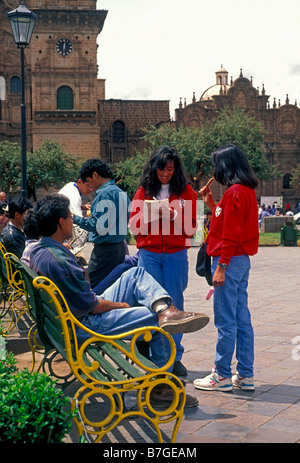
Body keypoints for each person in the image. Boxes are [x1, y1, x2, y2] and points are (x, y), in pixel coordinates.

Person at [29, 194, 210, 407]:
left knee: (134, 275)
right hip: (86, 325)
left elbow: (84, 299)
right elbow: (93, 307)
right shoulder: (58, 260)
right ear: (61, 222)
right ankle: (161, 388)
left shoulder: (42, 250)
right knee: (157, 321)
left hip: (72, 318)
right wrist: (121, 305)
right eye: (70, 217)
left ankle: (165, 308)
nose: (73, 221)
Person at [193, 144, 259, 392]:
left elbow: (231, 233)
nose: (215, 171)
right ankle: (245, 374)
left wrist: (221, 265)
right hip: (241, 261)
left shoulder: (233, 193)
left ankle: (221, 373)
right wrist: (211, 204)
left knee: (225, 320)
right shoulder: (246, 191)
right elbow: (230, 221)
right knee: (242, 319)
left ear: (226, 167)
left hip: (229, 260)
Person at [130, 145, 198, 377]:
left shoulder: (186, 192)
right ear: (154, 168)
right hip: (149, 254)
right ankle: (155, 355)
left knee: (174, 305)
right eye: (161, 169)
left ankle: (175, 356)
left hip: (175, 255)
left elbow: (191, 229)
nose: (165, 174)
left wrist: (175, 215)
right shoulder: (143, 192)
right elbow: (133, 227)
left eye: (170, 169)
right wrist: (147, 216)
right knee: (151, 305)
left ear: (176, 169)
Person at [73, 159, 131, 288]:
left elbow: (98, 225)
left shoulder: (105, 193)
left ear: (95, 175)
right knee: (113, 285)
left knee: (91, 286)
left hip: (105, 251)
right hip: (119, 248)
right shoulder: (121, 193)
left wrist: (75, 219)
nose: (90, 186)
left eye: (89, 181)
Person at [58, 177, 92, 254]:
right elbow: (79, 220)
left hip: (58, 221)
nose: (91, 189)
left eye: (92, 187)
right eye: (88, 186)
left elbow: (69, 205)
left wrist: (83, 207)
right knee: (83, 230)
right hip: (59, 224)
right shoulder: (74, 195)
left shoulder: (71, 186)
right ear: (80, 181)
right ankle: (72, 253)